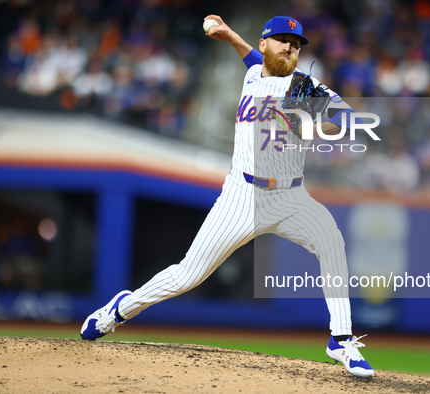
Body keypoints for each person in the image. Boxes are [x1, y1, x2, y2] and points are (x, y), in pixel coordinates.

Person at [80, 15, 374, 378]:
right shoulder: (253, 73)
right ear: (266, 44)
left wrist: (313, 124)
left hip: (291, 197)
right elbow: (253, 59)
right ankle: (121, 309)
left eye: (296, 44)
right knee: (187, 275)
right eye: (283, 40)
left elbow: (348, 117)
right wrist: (231, 35)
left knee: (331, 241)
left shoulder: (304, 88)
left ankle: (341, 340)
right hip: (242, 194)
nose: (290, 48)